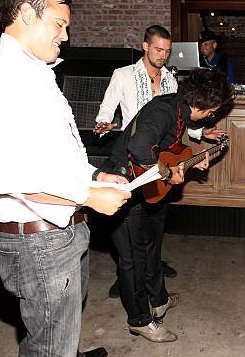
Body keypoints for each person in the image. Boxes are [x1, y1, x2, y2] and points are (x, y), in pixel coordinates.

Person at [0, 0, 131, 357]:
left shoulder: (35, 73)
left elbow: (50, 155)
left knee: (55, 334)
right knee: (47, 352)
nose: (66, 35)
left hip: (64, 229)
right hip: (39, 242)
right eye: (58, 24)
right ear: (25, 14)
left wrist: (93, 176)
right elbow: (7, 175)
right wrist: (89, 195)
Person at [101, 67, 235, 342]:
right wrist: (167, 172)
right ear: (205, 104)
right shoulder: (163, 111)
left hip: (151, 188)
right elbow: (139, 148)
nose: (214, 114)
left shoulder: (179, 111)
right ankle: (139, 320)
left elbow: (172, 147)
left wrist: (195, 158)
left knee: (152, 246)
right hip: (126, 185)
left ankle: (158, 299)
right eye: (215, 108)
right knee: (133, 258)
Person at [94, 25, 226, 294]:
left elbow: (179, 123)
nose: (163, 55)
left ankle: (152, 268)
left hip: (160, 161)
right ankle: (128, 278)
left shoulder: (171, 80)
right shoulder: (123, 75)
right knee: (129, 232)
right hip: (133, 159)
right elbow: (107, 114)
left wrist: (200, 133)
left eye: (168, 50)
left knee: (155, 222)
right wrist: (106, 124)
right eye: (158, 49)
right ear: (145, 46)